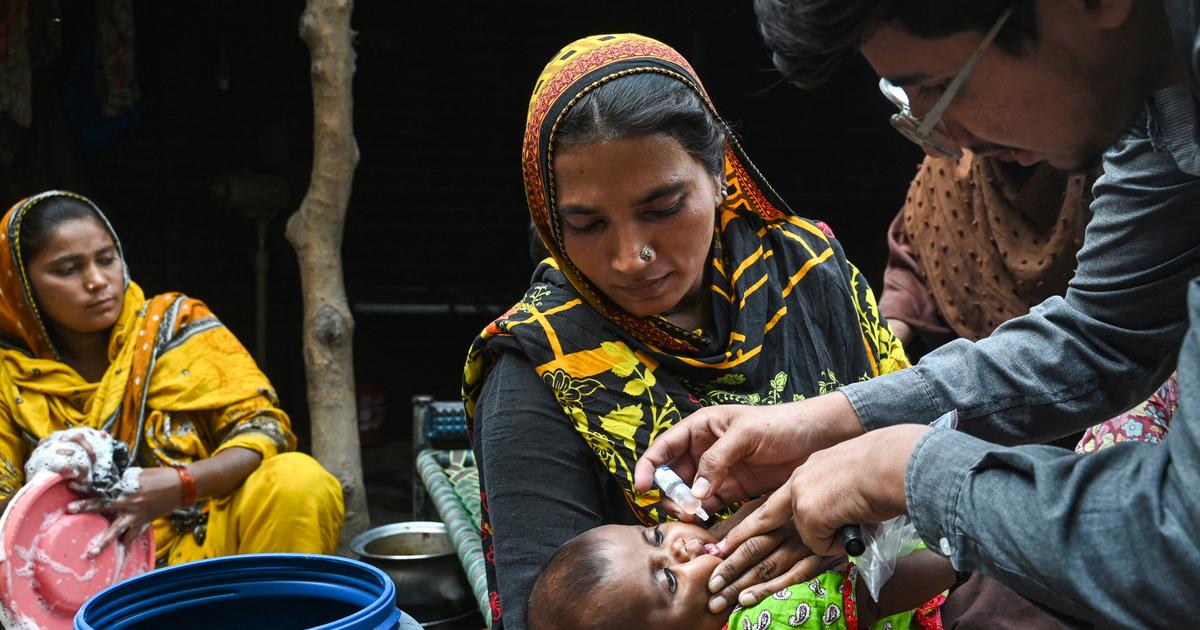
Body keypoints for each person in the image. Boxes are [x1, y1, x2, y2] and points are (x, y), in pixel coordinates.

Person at [633, 1, 1200, 626]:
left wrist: (908, 470)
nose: (947, 142)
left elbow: (1181, 539)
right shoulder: (1159, 108)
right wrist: (837, 420)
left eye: (933, 86)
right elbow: (1105, 335)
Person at [462, 34, 908, 630]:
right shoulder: (538, 368)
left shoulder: (811, 271)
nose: (631, 257)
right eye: (587, 223)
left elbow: (920, 433)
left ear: (721, 169)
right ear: (551, 221)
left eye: (663, 207)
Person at [0, 190, 345, 566]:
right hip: (76, 575)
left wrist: (180, 486)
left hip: (207, 552)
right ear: (21, 287)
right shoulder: (8, 377)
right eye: (68, 269)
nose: (98, 280)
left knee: (298, 480)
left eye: (106, 259)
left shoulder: (174, 325)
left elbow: (264, 430)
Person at [526, 521, 952, 630]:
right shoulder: (763, 619)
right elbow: (877, 594)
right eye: (669, 580)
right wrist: (964, 554)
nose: (679, 547)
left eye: (655, 536)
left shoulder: (733, 551)